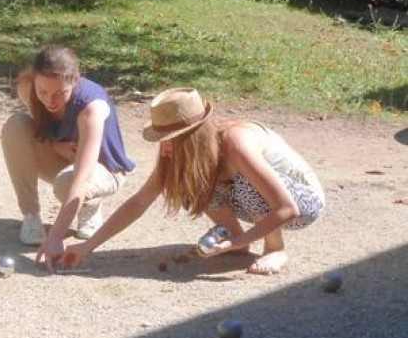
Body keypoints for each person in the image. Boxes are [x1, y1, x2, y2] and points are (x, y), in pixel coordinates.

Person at [62, 87, 325, 275]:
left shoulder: (236, 142)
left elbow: (287, 207)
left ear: (191, 138)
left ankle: (274, 247)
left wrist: (239, 242)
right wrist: (88, 246)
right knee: (189, 181)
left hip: (303, 201)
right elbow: (139, 201)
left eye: (169, 141)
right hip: (270, 204)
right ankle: (233, 236)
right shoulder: (180, 153)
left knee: (247, 184)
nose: (163, 150)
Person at [0, 44, 136, 268]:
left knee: (68, 182)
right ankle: (31, 217)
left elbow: (82, 177)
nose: (50, 101)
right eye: (43, 91)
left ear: (75, 80)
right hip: (64, 159)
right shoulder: (28, 87)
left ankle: (90, 205)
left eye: (59, 94)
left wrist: (55, 237)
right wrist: (55, 146)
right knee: (16, 125)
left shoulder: (92, 109)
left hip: (103, 170)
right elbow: (45, 129)